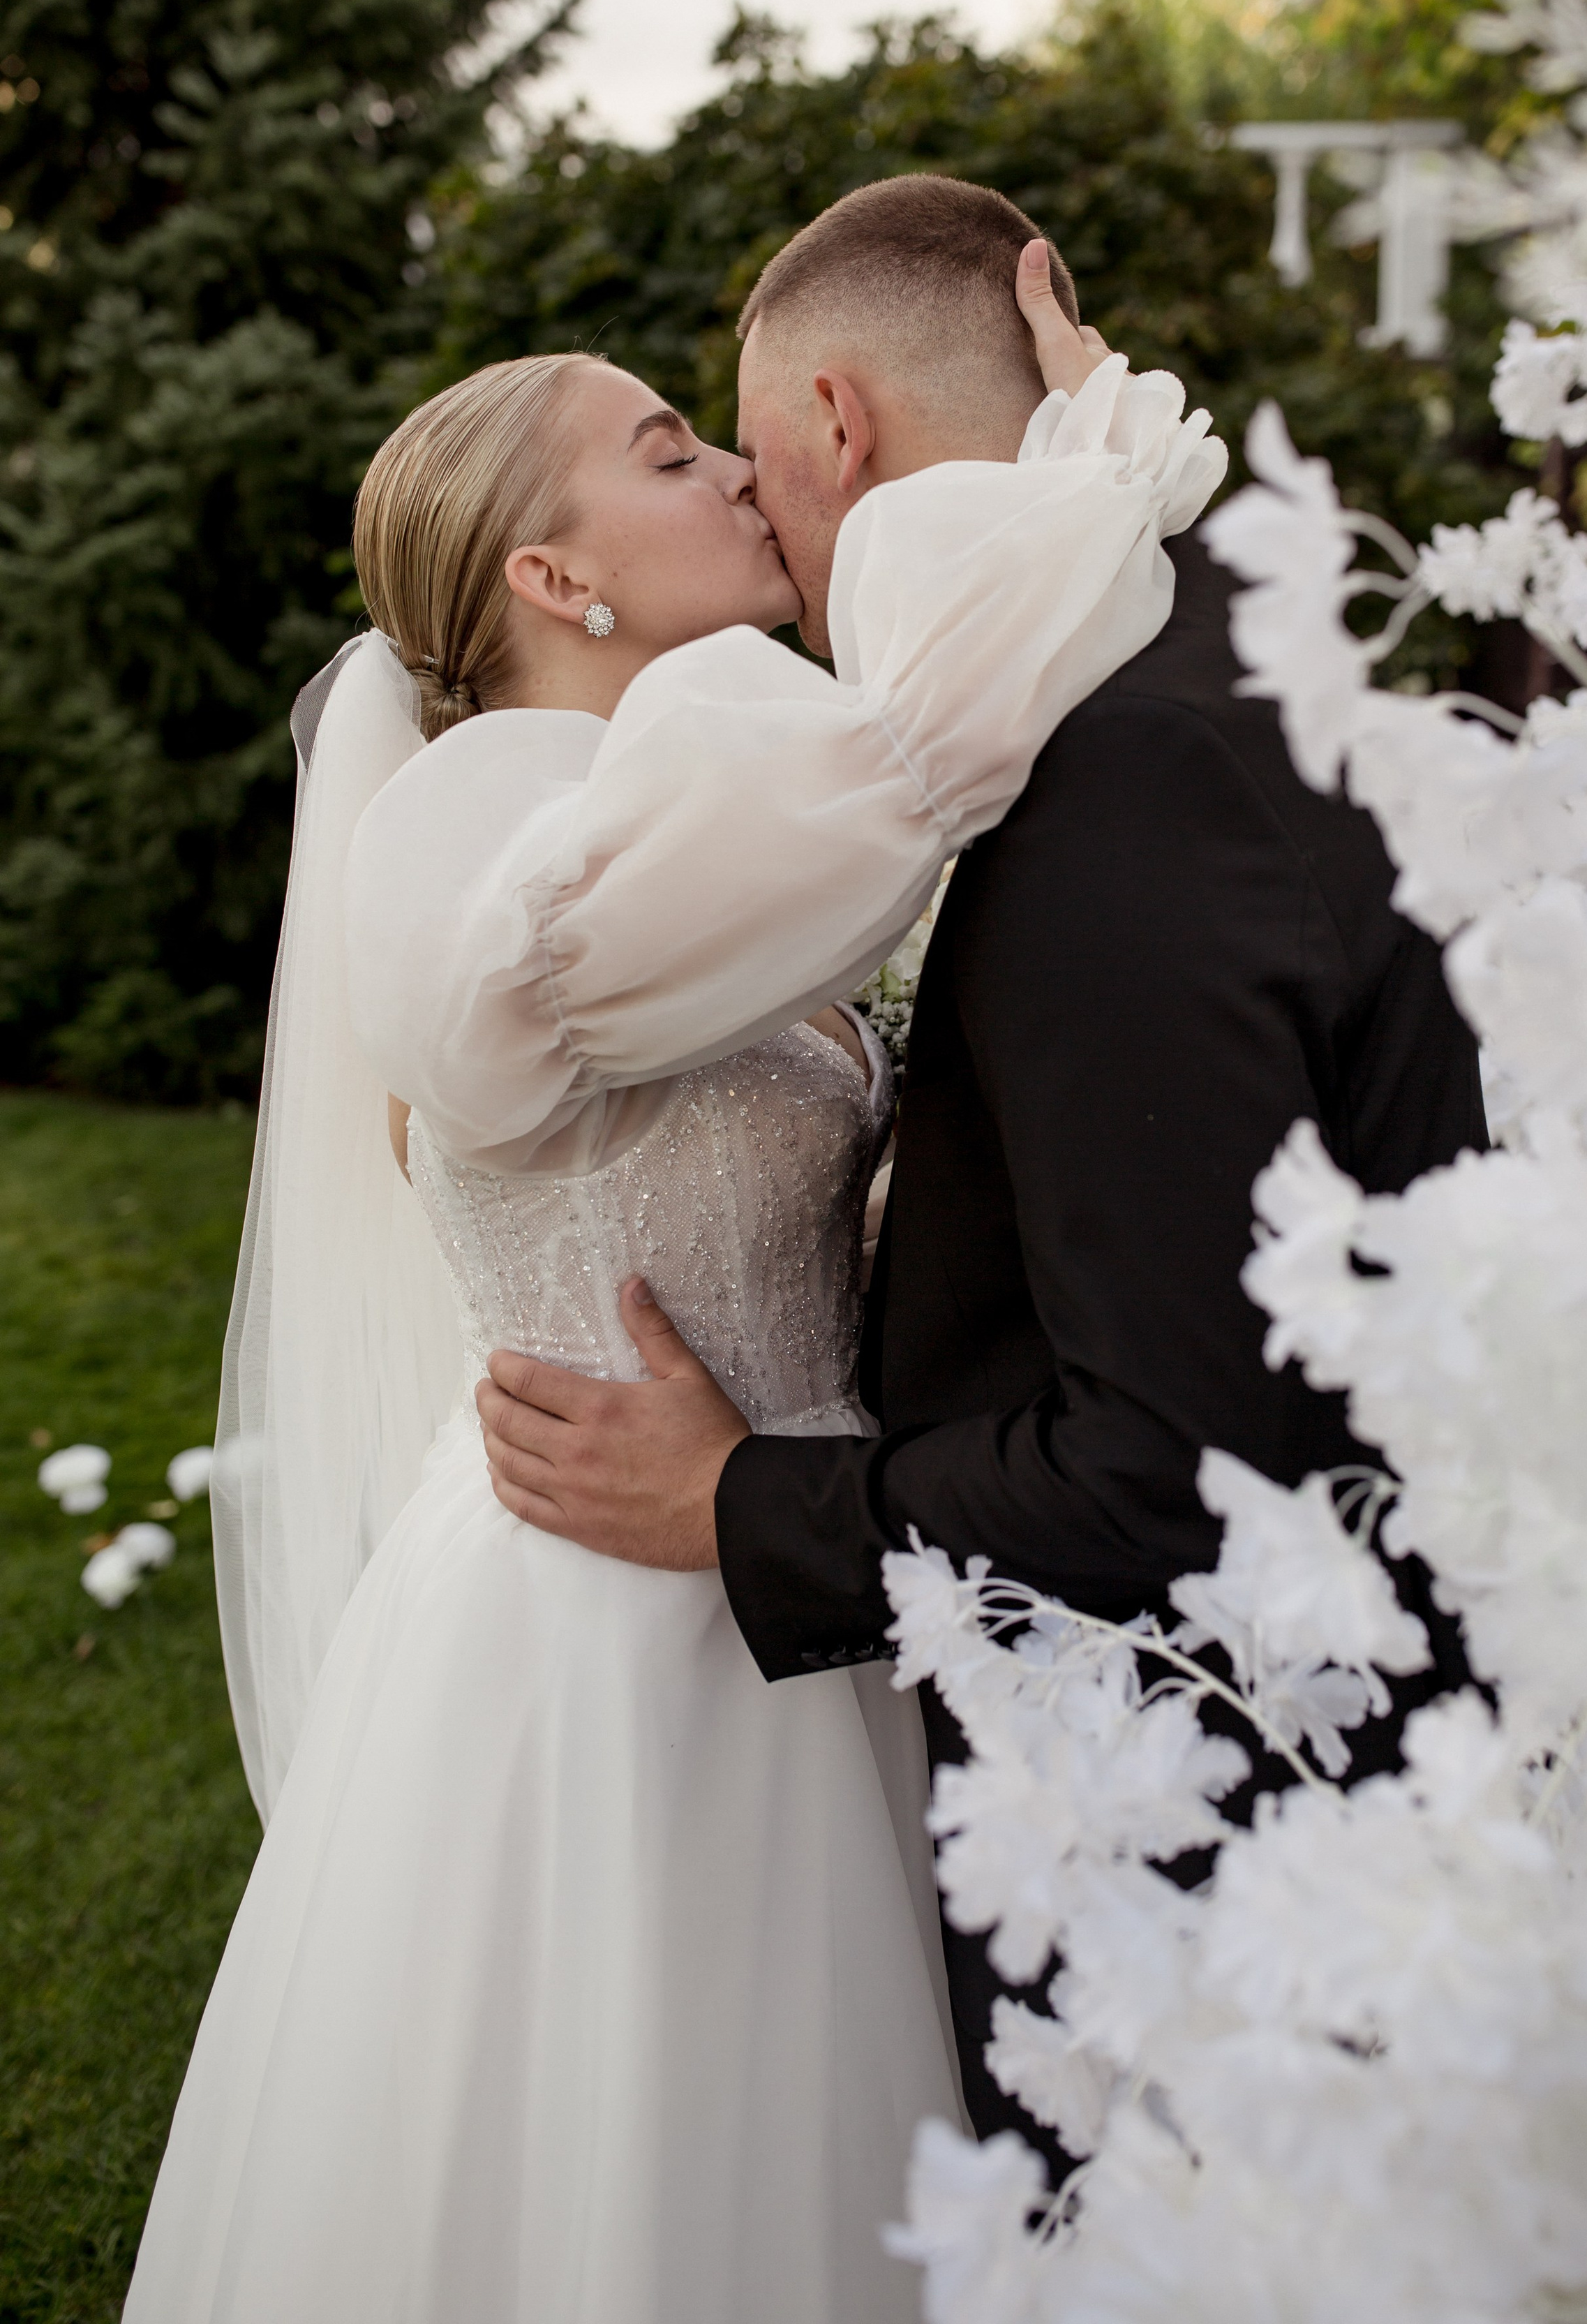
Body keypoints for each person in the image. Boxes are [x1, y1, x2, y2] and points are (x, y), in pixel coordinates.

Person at [125, 187, 1226, 2321]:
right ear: (552, 579)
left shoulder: (679, 812)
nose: (737, 467)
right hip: (610, 1639)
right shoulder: (486, 847)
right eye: (662, 452)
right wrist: (1070, 487)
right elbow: (911, 750)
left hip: (784, 1573)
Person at [470, 177, 1491, 2170]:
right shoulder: (1191, 676)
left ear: (835, 426)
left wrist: (740, 1500)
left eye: (744, 451)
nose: (757, 510)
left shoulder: (1131, 785)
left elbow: (1175, 1457)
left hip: (1210, 1873)